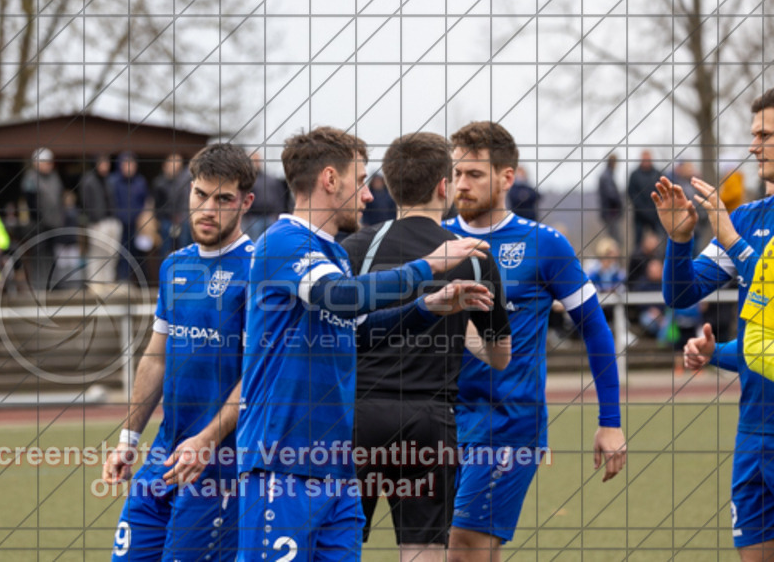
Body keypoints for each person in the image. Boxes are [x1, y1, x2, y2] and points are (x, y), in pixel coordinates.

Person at [237, 126, 493, 560]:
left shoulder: (335, 254)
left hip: (336, 468)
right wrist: (428, 265)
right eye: (359, 181)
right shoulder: (282, 242)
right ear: (329, 179)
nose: (369, 195)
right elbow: (340, 296)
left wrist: (427, 308)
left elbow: (358, 331)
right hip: (282, 461)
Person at [443, 121, 627, 561]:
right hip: (439, 420)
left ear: (507, 177)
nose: (461, 184)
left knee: (464, 544)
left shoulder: (543, 244)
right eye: (456, 173)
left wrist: (611, 421)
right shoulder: (435, 238)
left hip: (508, 422)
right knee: (454, 546)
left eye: (475, 174)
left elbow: (596, 329)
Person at [341, 132, 512, 561]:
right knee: (423, 552)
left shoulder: (356, 248)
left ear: (389, 184)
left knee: (339, 545)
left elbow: (338, 330)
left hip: (357, 417)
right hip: (429, 422)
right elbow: (500, 356)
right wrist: (458, 324)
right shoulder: (473, 255)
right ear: (444, 185)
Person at [101, 144, 257, 560]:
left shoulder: (260, 272)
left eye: (223, 199)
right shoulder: (174, 266)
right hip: (163, 454)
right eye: (200, 194)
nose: (208, 209)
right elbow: (156, 357)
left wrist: (207, 440)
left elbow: (258, 376)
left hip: (220, 466)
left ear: (246, 202)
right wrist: (128, 439)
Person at [653, 87, 774, 558]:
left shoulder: (733, 225)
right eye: (754, 134)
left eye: (765, 135)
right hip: (753, 431)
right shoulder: (746, 217)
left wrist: (730, 237)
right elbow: (681, 294)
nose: (753, 146)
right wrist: (679, 241)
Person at [21, 148, 65, 290]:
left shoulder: (54, 177)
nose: (48, 165)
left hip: (54, 223)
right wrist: (39, 220)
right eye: (45, 162)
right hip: (38, 224)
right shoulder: (30, 178)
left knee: (52, 255)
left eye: (49, 162)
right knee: (39, 255)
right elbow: (30, 202)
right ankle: (39, 285)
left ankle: (54, 284)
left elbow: (60, 199)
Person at [108, 151, 149, 281]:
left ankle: (142, 281)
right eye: (126, 164)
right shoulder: (113, 181)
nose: (129, 167)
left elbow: (145, 200)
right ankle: (123, 279)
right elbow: (111, 202)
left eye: (132, 164)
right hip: (119, 223)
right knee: (121, 253)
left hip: (137, 224)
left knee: (139, 253)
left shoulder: (140, 181)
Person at [79, 155, 120, 284]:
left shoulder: (110, 180)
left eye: (107, 163)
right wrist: (93, 219)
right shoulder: (88, 181)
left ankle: (108, 280)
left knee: (111, 254)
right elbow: (85, 202)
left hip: (111, 221)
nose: (105, 166)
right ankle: (95, 282)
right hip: (97, 222)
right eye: (102, 163)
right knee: (97, 254)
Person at [242, 150, 289, 240]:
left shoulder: (270, 179)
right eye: (253, 161)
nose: (255, 163)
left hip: (270, 218)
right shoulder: (246, 181)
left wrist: (278, 214)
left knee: (271, 241)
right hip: (254, 219)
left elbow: (280, 197)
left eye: (257, 160)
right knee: (255, 242)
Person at [151, 153, 186, 259]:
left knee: (181, 248)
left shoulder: (181, 183)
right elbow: (156, 205)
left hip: (180, 220)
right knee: (165, 249)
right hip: (165, 220)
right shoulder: (159, 183)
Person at [627, 149, 663, 247]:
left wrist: (654, 210)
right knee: (638, 243)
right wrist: (644, 210)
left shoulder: (658, 174)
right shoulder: (634, 175)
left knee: (660, 241)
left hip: (656, 215)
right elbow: (632, 194)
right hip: (639, 216)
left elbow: (662, 193)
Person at [598, 153, 623, 245]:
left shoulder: (607, 175)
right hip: (611, 213)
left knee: (613, 238)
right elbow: (611, 195)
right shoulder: (606, 176)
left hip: (609, 213)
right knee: (614, 240)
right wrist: (620, 203)